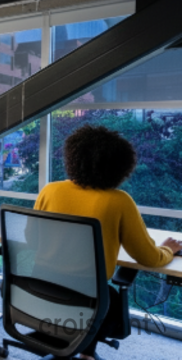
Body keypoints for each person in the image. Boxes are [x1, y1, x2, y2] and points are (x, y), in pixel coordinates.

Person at [34, 124, 182, 360]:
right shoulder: (119, 201)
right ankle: (86, 353)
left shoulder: (49, 191)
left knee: (103, 297)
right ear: (121, 167)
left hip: (39, 287)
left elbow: (32, 239)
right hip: (87, 296)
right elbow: (149, 258)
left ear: (73, 158)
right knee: (109, 298)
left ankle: (82, 350)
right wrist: (168, 249)